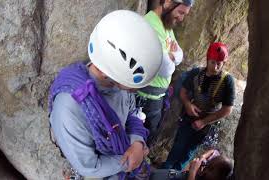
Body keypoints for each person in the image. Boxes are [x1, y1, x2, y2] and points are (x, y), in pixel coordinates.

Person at [48, 10, 163, 179]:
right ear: (110, 73)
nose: (138, 90)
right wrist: (128, 161)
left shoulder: (118, 82)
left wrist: (137, 142)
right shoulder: (69, 108)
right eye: (135, 85)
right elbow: (89, 167)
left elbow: (132, 112)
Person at [161, 42, 236, 170]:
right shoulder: (197, 73)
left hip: (208, 122)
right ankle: (165, 171)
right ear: (207, 60)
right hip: (190, 116)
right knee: (179, 145)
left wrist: (204, 122)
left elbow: (227, 109)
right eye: (213, 62)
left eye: (219, 63)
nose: (216, 67)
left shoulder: (227, 81)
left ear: (224, 63)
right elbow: (183, 91)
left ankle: (177, 173)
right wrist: (187, 104)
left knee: (189, 150)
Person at [137, 0, 194, 145]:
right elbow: (165, 68)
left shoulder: (166, 24)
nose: (181, 18)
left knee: (151, 133)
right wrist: (172, 58)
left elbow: (180, 55)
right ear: (168, 2)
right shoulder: (151, 25)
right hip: (146, 98)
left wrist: (172, 56)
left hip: (156, 96)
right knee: (144, 136)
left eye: (184, 14)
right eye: (181, 12)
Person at [150, 149, 233, 180]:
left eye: (210, 169)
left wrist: (193, 171)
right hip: (175, 175)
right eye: (208, 164)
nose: (205, 169)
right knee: (155, 174)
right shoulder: (206, 176)